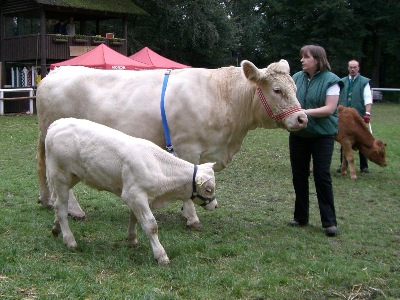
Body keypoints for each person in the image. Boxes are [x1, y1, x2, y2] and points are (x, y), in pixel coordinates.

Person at [288, 45, 342, 237]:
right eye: (301, 56)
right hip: (299, 135)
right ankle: (300, 217)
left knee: (322, 175)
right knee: (299, 175)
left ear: (317, 60)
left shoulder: (332, 80)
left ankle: (329, 222)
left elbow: (329, 109)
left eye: (306, 57)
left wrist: (303, 112)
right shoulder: (295, 78)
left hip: (323, 136)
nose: (302, 60)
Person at [337, 60, 372, 173]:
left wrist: (367, 113)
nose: (353, 69)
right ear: (348, 68)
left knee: (362, 139)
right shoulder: (341, 82)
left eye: (355, 67)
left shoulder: (364, 82)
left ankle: (364, 166)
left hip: (359, 116)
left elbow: (367, 98)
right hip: (344, 118)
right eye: (351, 67)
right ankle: (343, 166)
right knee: (344, 140)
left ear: (358, 68)